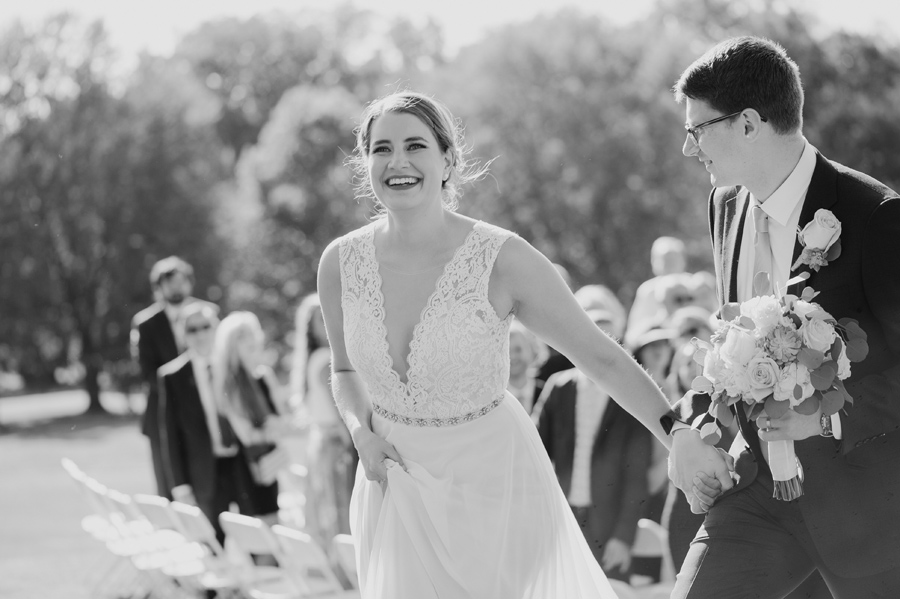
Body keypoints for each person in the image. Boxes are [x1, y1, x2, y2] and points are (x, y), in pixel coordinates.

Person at [316, 90, 721, 598]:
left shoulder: (502, 258)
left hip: (493, 484)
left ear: (447, 161)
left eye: (415, 146)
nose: (398, 162)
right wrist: (362, 435)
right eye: (382, 149)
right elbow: (344, 370)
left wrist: (678, 436)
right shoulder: (339, 263)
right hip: (389, 480)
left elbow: (599, 357)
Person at [666, 36, 900, 598]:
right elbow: (731, 342)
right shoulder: (724, 206)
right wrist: (696, 429)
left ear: (748, 122)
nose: (688, 147)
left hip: (867, 511)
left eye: (697, 129)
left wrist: (824, 421)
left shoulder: (875, 217)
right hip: (754, 495)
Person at [532, 298, 652, 582]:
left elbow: (637, 475)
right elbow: (536, 452)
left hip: (608, 529)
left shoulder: (630, 394)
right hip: (562, 520)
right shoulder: (558, 387)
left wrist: (623, 537)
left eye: (612, 337)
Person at [157, 303, 271, 544]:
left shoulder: (234, 365)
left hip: (244, 463)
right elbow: (170, 435)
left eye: (205, 327)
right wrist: (180, 485)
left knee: (255, 538)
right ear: (183, 334)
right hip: (205, 470)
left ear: (217, 327)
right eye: (192, 329)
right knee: (211, 541)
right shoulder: (172, 376)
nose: (200, 334)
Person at [131, 255, 215, 498]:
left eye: (181, 281)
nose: (177, 288)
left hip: (209, 410)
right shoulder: (145, 323)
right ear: (159, 287)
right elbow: (148, 374)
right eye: (170, 283)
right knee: (169, 481)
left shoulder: (208, 314)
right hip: (163, 412)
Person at [209, 311, 288, 527]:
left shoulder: (264, 376)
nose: (250, 340)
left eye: (251, 334)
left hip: (271, 464)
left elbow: (282, 423)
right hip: (249, 469)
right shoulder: (229, 385)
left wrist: (271, 428)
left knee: (275, 525)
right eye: (242, 337)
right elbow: (248, 436)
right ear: (231, 345)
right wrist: (269, 429)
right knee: (262, 531)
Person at [290, 293, 356, 543]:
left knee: (329, 508)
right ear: (311, 327)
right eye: (321, 318)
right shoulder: (323, 360)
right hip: (334, 443)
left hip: (321, 442)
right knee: (339, 507)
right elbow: (341, 412)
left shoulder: (313, 359)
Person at [625, 236, 688, 348]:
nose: (670, 264)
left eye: (674, 258)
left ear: (683, 260)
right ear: (654, 262)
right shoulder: (648, 291)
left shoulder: (694, 286)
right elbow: (633, 334)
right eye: (665, 259)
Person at [506, 319, 548, 414]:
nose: (512, 356)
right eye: (507, 352)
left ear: (532, 350)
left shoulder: (546, 391)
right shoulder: (496, 398)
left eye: (518, 349)